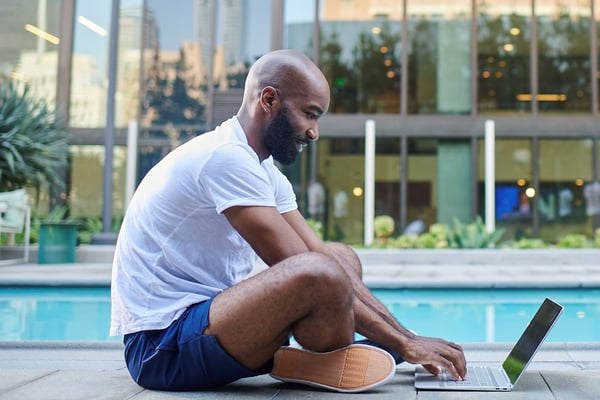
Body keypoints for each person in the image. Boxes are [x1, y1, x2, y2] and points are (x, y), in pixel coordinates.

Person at [110, 49, 466, 393]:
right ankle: (320, 359)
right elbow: (305, 267)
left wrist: (406, 338)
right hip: (159, 348)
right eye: (309, 114)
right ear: (268, 100)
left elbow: (323, 256)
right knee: (318, 273)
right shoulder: (224, 158)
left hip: (203, 325)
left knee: (341, 257)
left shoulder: (263, 169)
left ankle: (312, 361)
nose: (314, 132)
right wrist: (405, 342)